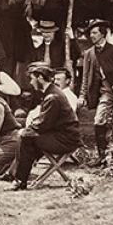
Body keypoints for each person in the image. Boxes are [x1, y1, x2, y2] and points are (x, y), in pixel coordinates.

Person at [11, 63, 82, 191]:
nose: (31, 83)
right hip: (62, 135)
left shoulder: (53, 97)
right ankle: (19, 177)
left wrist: (26, 130)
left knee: (26, 137)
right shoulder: (51, 92)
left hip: (66, 140)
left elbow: (43, 124)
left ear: (40, 78)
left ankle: (20, 179)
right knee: (27, 137)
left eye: (32, 78)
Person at [77, 19, 113, 167]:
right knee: (99, 121)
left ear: (103, 34)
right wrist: (83, 95)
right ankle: (102, 156)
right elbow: (85, 77)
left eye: (95, 32)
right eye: (90, 33)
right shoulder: (89, 54)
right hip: (102, 93)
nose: (92, 35)